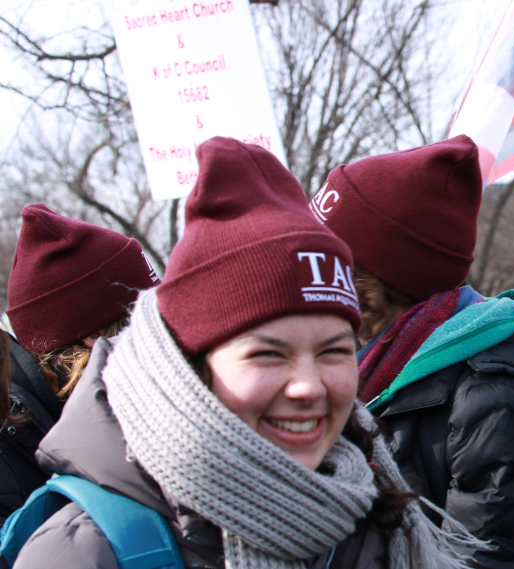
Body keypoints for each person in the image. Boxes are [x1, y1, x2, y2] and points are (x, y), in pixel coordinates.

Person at [12, 137, 479, 569]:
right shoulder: (82, 552)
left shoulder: (367, 510)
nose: (309, 386)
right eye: (268, 355)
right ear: (192, 366)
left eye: (334, 351)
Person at [310, 135, 514, 569]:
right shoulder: (385, 373)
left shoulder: (492, 401)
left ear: (369, 284)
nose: (309, 284)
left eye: (323, 264)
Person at [0, 204, 159, 523]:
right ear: (95, 337)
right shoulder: (11, 459)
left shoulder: (75, 419)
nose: (167, 340)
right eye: (151, 319)